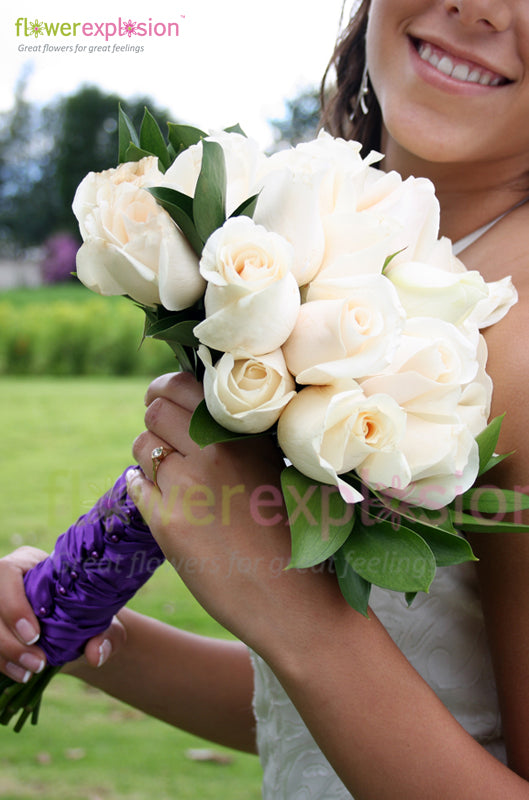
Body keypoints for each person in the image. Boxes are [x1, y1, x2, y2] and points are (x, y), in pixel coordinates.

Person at [2, 0, 529, 796]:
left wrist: (289, 605)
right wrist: (61, 625)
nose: (479, 6)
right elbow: (334, 719)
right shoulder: (337, 230)